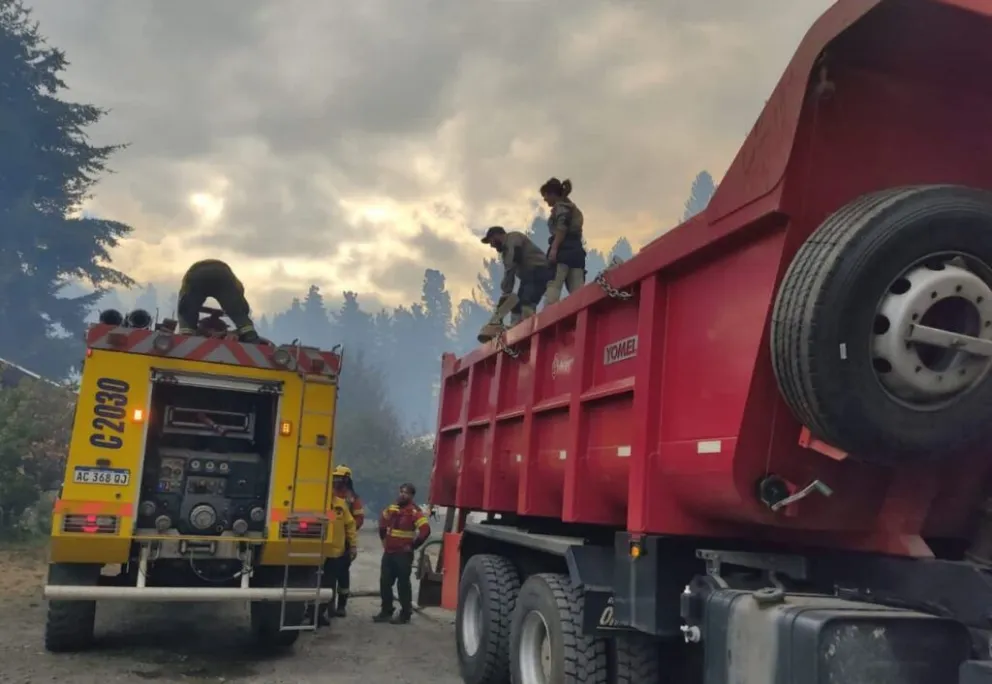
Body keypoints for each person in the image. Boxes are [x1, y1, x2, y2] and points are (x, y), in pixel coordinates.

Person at [477, 226, 552, 341]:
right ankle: (515, 330)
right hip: (527, 277)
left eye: (491, 241)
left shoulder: (513, 237)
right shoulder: (506, 253)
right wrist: (506, 295)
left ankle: (528, 331)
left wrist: (505, 293)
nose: (491, 245)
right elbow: (509, 275)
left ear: (497, 235)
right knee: (516, 306)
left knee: (527, 302)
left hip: (538, 271)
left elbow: (513, 261)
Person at [374, 482, 430, 624]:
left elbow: (425, 530)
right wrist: (383, 539)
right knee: (385, 582)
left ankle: (405, 613)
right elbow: (382, 523)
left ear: (411, 495)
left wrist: (413, 546)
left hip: (403, 555)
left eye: (406, 493)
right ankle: (386, 610)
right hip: (389, 552)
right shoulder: (392, 508)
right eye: (401, 492)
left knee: (403, 584)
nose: (402, 495)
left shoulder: (414, 512)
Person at [176, 259, 261, 342]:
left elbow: (185, 302)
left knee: (187, 310)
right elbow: (240, 306)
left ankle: (186, 333)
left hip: (197, 272)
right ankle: (250, 335)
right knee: (239, 314)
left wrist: (188, 326)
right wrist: (241, 320)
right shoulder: (237, 286)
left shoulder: (188, 281)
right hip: (223, 272)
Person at [315, 491, 359, 626]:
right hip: (315, 551)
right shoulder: (314, 500)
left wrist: (352, 546)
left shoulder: (341, 505)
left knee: (328, 584)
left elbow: (350, 525)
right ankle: (313, 613)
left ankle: (319, 614)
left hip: (335, 553)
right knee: (314, 584)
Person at [541, 177, 586, 305]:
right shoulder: (572, 208)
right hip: (576, 253)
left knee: (553, 288)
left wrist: (554, 248)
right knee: (578, 292)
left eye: (545, 196)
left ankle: (548, 319)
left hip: (562, 252)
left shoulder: (561, 208)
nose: (545, 199)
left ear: (552, 194)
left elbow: (562, 228)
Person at [328, 465, 365, 617]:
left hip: (346, 542)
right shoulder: (328, 494)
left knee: (342, 574)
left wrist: (347, 533)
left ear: (347, 479)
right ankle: (327, 606)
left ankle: (341, 605)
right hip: (331, 538)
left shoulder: (352, 498)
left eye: (339, 478)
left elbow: (358, 519)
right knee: (327, 576)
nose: (336, 480)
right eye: (334, 477)